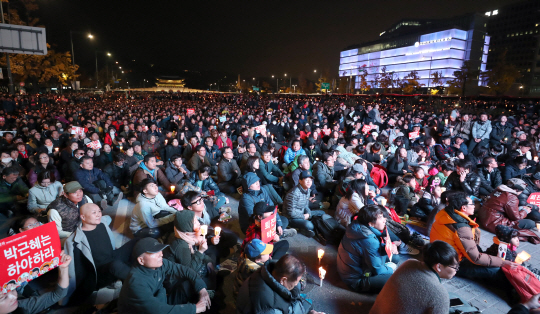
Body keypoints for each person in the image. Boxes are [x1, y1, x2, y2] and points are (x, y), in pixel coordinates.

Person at [430, 192, 517, 284]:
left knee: (479, 251)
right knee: (496, 270)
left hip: (438, 255)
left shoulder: (446, 213)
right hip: (451, 264)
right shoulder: (461, 227)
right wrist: (502, 262)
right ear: (463, 208)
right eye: (472, 204)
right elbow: (475, 258)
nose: (474, 206)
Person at [62, 203, 137, 305]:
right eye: (94, 213)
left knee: (137, 241)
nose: (98, 215)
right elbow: (74, 270)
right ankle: (141, 282)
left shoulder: (102, 223)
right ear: (83, 217)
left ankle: (128, 272)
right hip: (100, 272)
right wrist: (68, 294)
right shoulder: (75, 241)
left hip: (112, 257)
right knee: (116, 265)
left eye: (99, 211)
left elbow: (107, 218)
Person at [118, 237, 211, 314]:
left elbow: (185, 270)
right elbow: (158, 310)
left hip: (161, 300)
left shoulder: (160, 264)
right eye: (154, 252)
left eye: (160, 250)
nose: (161, 254)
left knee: (188, 285)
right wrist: (195, 308)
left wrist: (202, 289)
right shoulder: (136, 283)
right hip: (150, 310)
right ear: (141, 260)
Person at [370, 241, 460, 314]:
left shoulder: (409, 263)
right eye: (455, 267)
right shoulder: (440, 295)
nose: (456, 270)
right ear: (439, 267)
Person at [337, 204, 400, 293]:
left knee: (395, 258)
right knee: (393, 278)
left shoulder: (357, 225)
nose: (384, 220)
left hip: (351, 269)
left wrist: (388, 246)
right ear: (370, 223)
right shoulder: (369, 239)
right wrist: (392, 269)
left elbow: (369, 249)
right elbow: (377, 269)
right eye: (381, 217)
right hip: (355, 280)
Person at [236, 254, 324, 314]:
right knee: (308, 303)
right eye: (295, 282)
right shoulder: (270, 310)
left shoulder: (266, 272)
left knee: (307, 303)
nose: (297, 284)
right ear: (283, 280)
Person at [0, 252, 71, 314]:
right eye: (4, 298)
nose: (15, 296)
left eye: (12, 290)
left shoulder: (22, 307)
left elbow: (58, 294)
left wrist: (63, 268)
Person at [164, 210, 215, 289]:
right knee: (209, 282)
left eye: (197, 220)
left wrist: (208, 261)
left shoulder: (188, 236)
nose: (198, 223)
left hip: (188, 267)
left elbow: (193, 254)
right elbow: (189, 271)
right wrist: (200, 251)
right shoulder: (181, 245)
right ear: (187, 226)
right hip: (177, 281)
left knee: (210, 258)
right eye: (194, 222)